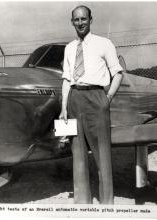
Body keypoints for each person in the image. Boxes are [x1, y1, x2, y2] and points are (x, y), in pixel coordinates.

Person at [59, 5, 124, 204]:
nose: (80, 23)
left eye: (83, 19)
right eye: (76, 20)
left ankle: (106, 205)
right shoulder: (70, 48)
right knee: (77, 154)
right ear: (72, 22)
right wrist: (63, 108)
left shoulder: (104, 44)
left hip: (97, 98)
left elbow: (118, 74)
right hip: (74, 100)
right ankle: (82, 204)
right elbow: (66, 80)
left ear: (90, 20)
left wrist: (108, 98)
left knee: (102, 154)